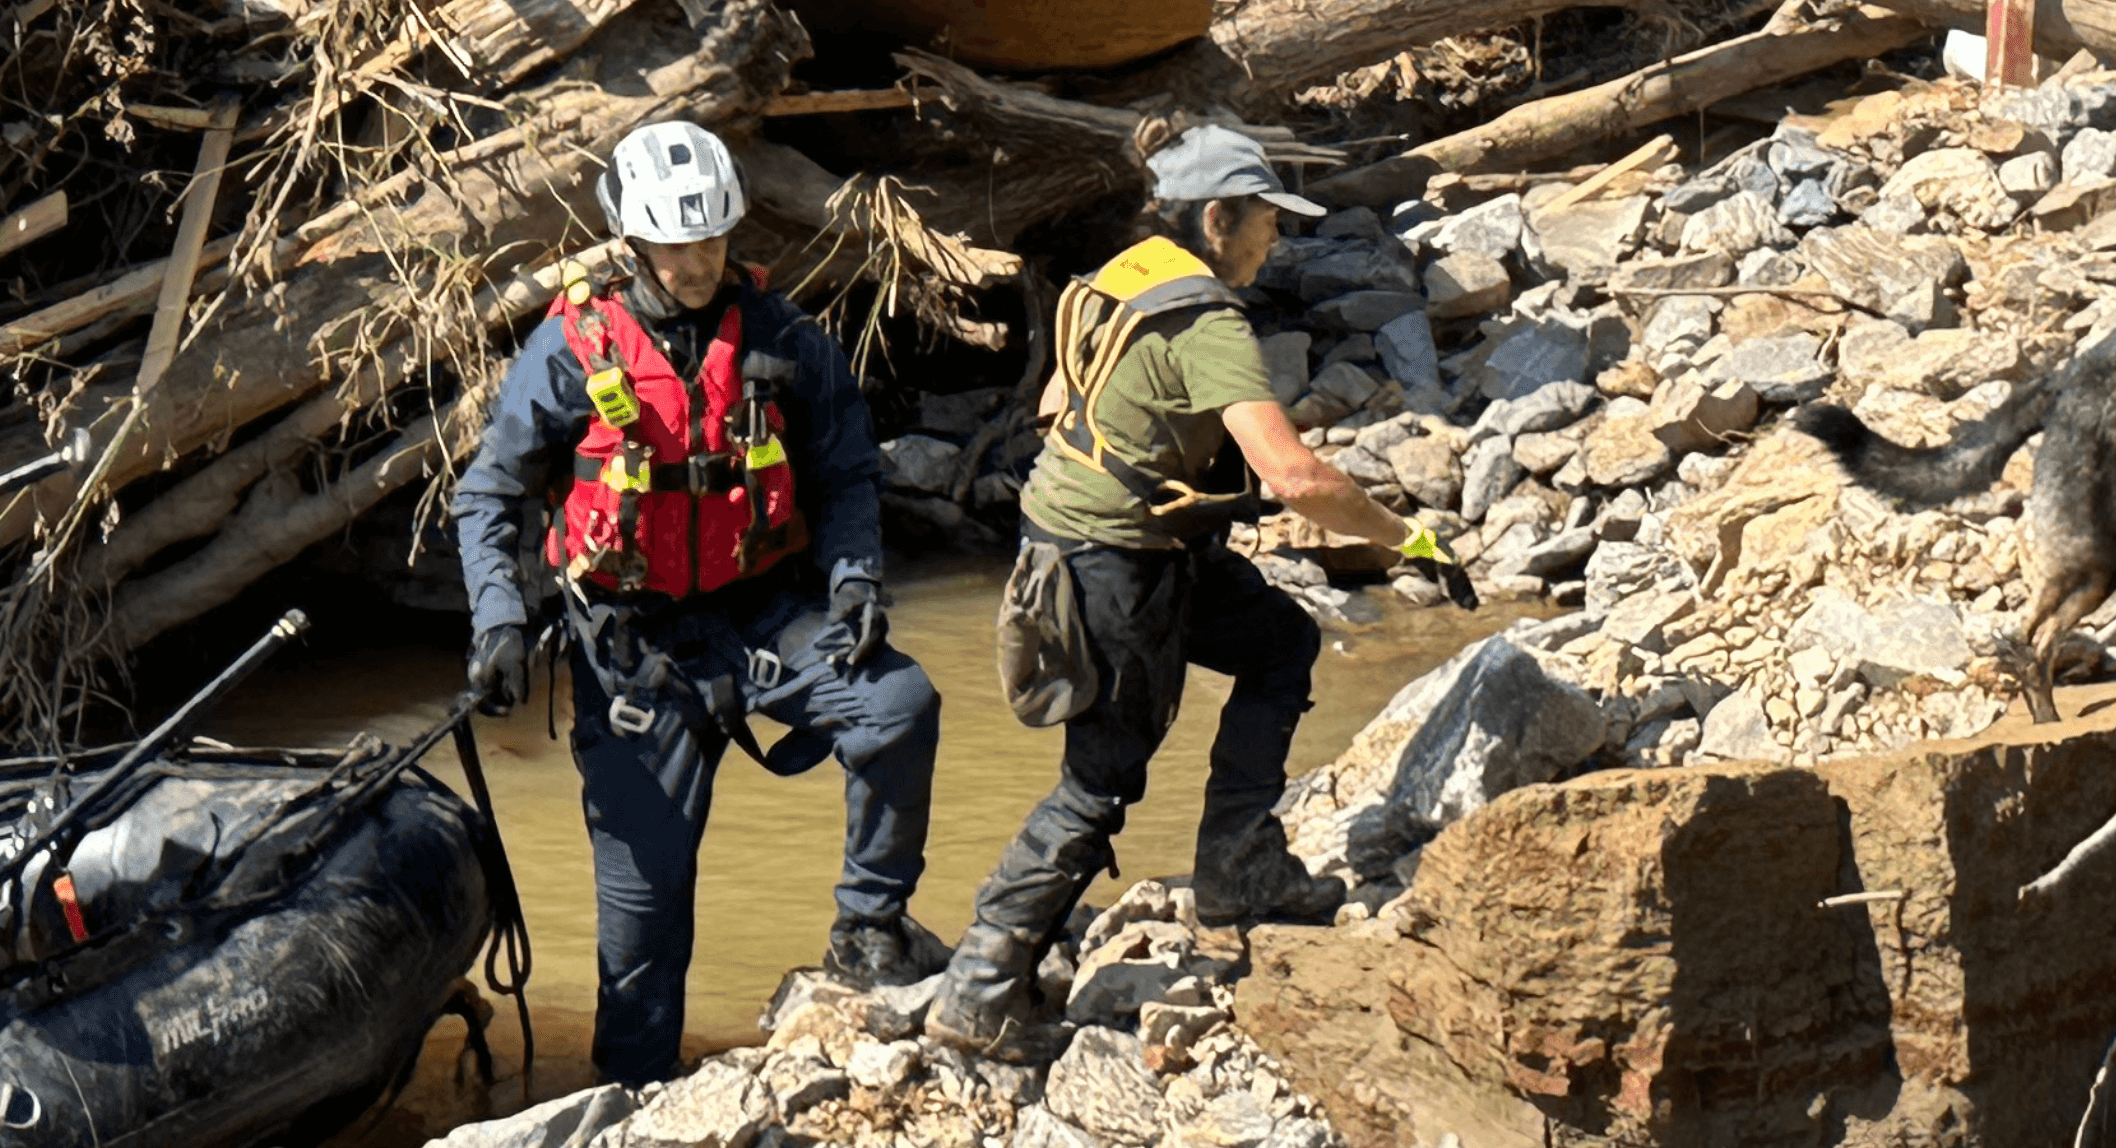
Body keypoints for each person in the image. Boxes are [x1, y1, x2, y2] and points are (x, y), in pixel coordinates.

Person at [928, 122, 1475, 1060]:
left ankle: (1238, 866)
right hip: (1115, 563)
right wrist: (1403, 537)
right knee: (1102, 779)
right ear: (1217, 218)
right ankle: (979, 989)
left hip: (1107, 535)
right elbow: (1298, 477)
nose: (1276, 240)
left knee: (1279, 644)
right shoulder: (1209, 319)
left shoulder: (1123, 273)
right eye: (1266, 220)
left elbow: (1066, 404)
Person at [451, 119, 943, 1084]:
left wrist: (854, 580)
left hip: (765, 614)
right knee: (641, 937)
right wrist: (500, 617)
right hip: (632, 651)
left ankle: (869, 926)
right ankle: (634, 1110)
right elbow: (490, 495)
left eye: (713, 240)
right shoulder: (568, 353)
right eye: (676, 245)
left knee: (898, 704)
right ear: (633, 241)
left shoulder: (785, 334)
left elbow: (846, 475)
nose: (697, 261)